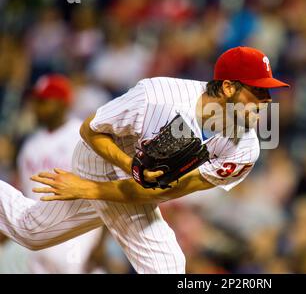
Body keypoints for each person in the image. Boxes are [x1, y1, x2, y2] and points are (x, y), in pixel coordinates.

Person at [0, 46, 289, 274]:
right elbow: (90, 130)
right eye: (258, 91)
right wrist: (125, 169)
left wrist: (89, 190)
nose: (266, 101)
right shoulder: (157, 96)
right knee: (166, 264)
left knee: (31, 230)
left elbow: (165, 190)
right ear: (228, 88)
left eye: (268, 92)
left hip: (141, 181)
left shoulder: (244, 149)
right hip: (102, 155)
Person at [2, 74, 102, 274]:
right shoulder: (29, 146)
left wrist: (100, 244)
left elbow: (100, 191)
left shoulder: (83, 136)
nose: (37, 107)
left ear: (63, 103)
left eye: (44, 101)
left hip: (75, 235)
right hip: (37, 235)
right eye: (36, 101)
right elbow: (24, 194)